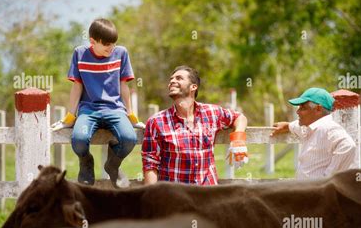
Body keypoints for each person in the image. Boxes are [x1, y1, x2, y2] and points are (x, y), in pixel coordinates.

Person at [51, 18, 144, 188]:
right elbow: (77, 87)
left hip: (115, 110)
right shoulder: (80, 53)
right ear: (92, 41)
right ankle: (86, 162)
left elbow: (124, 86)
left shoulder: (121, 53)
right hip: (88, 111)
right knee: (79, 139)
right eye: (107, 44)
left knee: (129, 138)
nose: (111, 48)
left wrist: (131, 115)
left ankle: (112, 165)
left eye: (113, 44)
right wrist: (69, 118)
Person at [142, 65, 248, 185]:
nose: (172, 81)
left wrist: (238, 139)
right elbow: (150, 164)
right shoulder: (156, 121)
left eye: (179, 78)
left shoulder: (212, 113)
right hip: (175, 196)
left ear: (193, 87)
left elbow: (239, 117)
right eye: (171, 79)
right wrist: (152, 199)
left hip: (208, 194)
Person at [271, 87, 356, 179]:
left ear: (318, 109)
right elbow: (298, 127)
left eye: (303, 108)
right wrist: (287, 126)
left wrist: (328, 179)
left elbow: (348, 146)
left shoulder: (328, 128)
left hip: (318, 190)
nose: (298, 111)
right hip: (310, 189)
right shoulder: (311, 127)